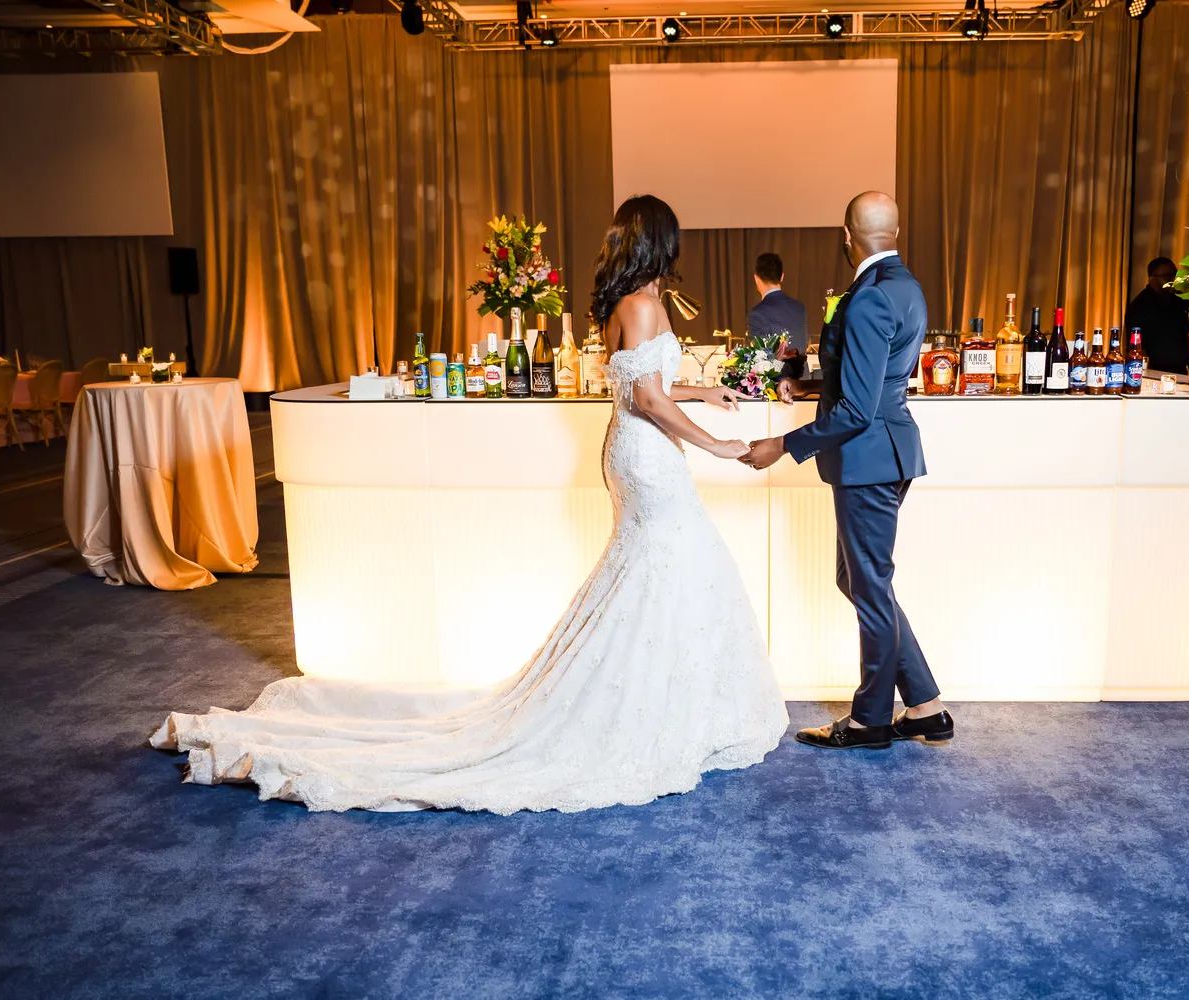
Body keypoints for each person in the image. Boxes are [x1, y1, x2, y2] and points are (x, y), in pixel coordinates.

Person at [150, 195, 788, 814]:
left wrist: (703, 389)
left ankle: (654, 698)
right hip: (649, 453)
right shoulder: (645, 303)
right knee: (668, 564)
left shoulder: (625, 303)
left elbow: (639, 381)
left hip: (627, 452)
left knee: (652, 571)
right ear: (660, 243)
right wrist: (720, 446)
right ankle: (655, 710)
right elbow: (647, 398)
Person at [742, 191, 952, 751]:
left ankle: (870, 721)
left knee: (870, 586)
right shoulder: (905, 288)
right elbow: (873, 379)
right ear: (897, 231)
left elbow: (858, 408)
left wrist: (782, 444)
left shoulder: (868, 299)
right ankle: (926, 706)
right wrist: (806, 385)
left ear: (845, 234)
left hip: (868, 459)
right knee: (858, 581)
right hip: (887, 452)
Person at [1124, 256, 1189, 375]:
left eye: (1174, 275)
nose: (1172, 279)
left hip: (1179, 370)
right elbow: (1137, 345)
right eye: (1166, 276)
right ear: (1151, 278)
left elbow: (1182, 335)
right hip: (1153, 370)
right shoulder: (1140, 305)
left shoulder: (1180, 300)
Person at [745, 252, 808, 379]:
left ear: (756, 278)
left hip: (777, 388)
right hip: (803, 384)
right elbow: (804, 343)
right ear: (782, 277)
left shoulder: (757, 313)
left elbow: (761, 358)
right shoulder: (799, 308)